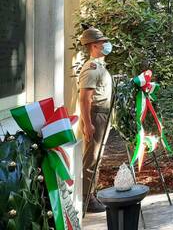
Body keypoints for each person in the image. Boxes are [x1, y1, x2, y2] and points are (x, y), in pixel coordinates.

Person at [78, 27, 113, 213]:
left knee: (97, 157)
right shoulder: (91, 68)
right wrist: (88, 123)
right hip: (96, 114)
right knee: (91, 157)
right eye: (103, 42)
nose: (106, 44)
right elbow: (85, 98)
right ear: (94, 45)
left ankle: (92, 193)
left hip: (103, 114)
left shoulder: (100, 66)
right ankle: (86, 199)